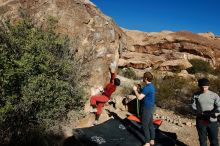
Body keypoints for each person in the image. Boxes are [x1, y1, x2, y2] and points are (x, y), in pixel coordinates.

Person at [192, 78, 220, 146]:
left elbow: (219, 106)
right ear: (199, 86)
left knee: (214, 140)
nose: (204, 89)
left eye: (205, 87)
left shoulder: (214, 95)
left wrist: (215, 114)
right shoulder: (195, 95)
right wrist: (197, 112)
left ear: (208, 86)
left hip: (212, 119)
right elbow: (193, 106)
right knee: (202, 140)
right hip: (201, 119)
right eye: (202, 87)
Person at [133, 72, 155, 146]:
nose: (142, 78)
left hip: (147, 108)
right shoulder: (151, 86)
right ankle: (152, 140)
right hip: (151, 107)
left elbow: (139, 98)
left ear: (146, 78)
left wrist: (135, 90)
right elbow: (146, 94)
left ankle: (147, 143)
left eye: (143, 77)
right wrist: (140, 89)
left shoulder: (147, 87)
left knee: (145, 125)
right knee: (150, 124)